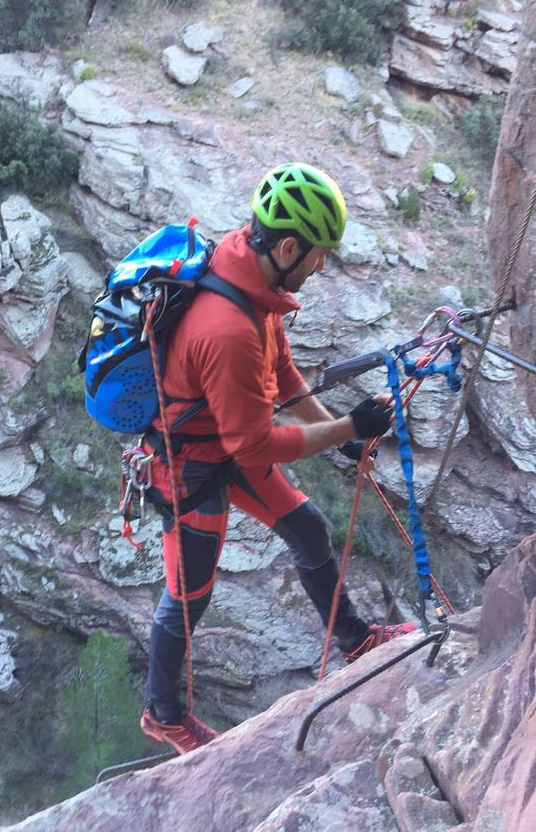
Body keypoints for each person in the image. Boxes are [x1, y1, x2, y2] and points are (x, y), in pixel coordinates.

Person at [139, 162, 416, 754]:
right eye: (320, 254)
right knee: (191, 592)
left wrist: (339, 434)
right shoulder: (227, 326)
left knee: (309, 530)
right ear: (289, 246)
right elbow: (257, 444)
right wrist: (348, 424)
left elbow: (283, 373)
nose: (322, 265)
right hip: (189, 462)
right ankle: (162, 713)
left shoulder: (254, 285)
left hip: (223, 440)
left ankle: (356, 639)